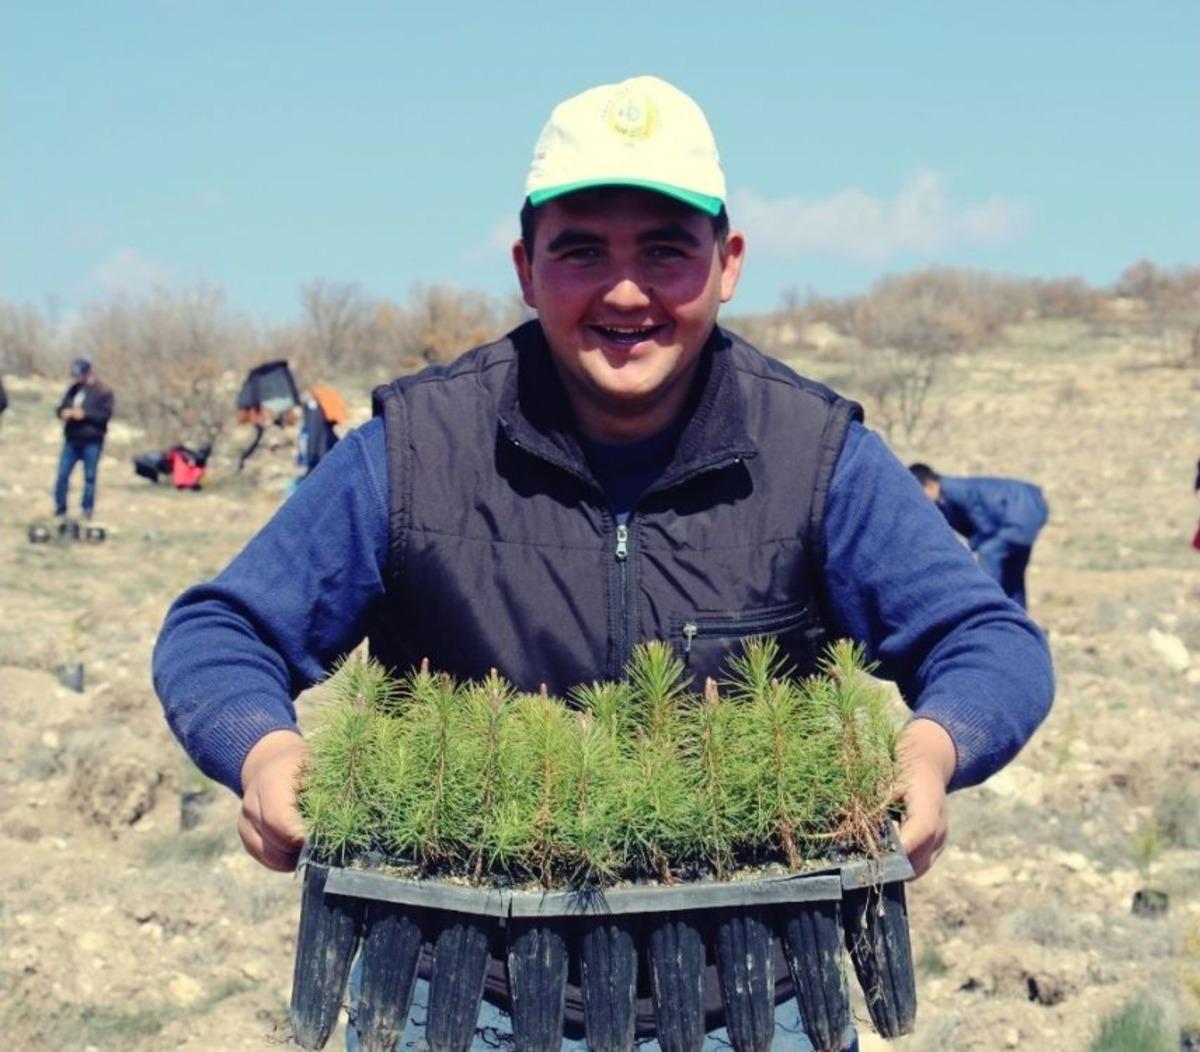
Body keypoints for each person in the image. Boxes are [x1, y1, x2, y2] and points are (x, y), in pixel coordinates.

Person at [154, 76, 1054, 1050]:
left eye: (665, 249)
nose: (626, 290)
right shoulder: (418, 448)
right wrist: (264, 749)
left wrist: (931, 751)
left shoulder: (814, 453)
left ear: (728, 263)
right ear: (526, 267)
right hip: (457, 988)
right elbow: (222, 628)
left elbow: (988, 639)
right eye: (582, 249)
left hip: (749, 994)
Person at [908, 463, 1049, 609]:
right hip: (1021, 516)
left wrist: (973, 545)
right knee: (1013, 572)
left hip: (1020, 514)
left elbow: (983, 524)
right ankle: (1017, 614)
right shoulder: (943, 499)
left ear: (930, 485)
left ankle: (988, 605)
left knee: (989, 553)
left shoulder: (956, 490)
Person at [54, 357, 114, 522]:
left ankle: (87, 510)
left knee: (89, 477)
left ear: (88, 374)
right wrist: (63, 413)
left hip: (92, 440)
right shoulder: (73, 390)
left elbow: (105, 415)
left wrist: (85, 415)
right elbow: (61, 407)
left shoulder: (103, 392)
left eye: (80, 376)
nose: (77, 379)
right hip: (72, 439)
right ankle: (60, 510)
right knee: (62, 476)